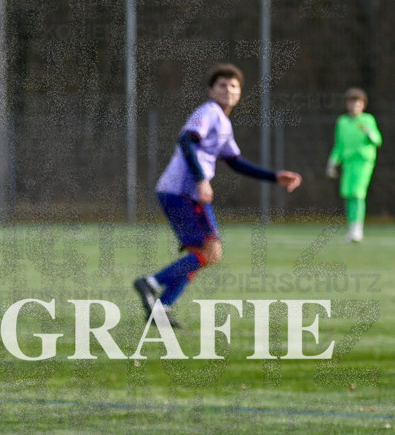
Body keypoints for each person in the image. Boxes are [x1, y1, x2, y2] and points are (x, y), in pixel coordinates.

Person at [134, 63, 302, 327]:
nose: (228, 89)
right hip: (183, 192)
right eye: (222, 85)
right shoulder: (209, 112)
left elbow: (235, 162)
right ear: (211, 90)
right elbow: (187, 140)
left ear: (239, 93)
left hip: (181, 193)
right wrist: (201, 180)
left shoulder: (223, 122)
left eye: (233, 86)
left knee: (199, 254)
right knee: (212, 252)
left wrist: (274, 177)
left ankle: (161, 308)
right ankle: (151, 283)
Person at [327, 87, 382, 243]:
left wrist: (369, 133)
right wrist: (332, 162)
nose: (354, 106)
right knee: (348, 193)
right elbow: (339, 145)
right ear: (347, 104)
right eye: (352, 103)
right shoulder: (342, 121)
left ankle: (357, 229)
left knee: (358, 193)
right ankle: (352, 228)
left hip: (363, 161)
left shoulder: (368, 120)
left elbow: (377, 140)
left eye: (358, 103)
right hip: (348, 162)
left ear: (363, 105)